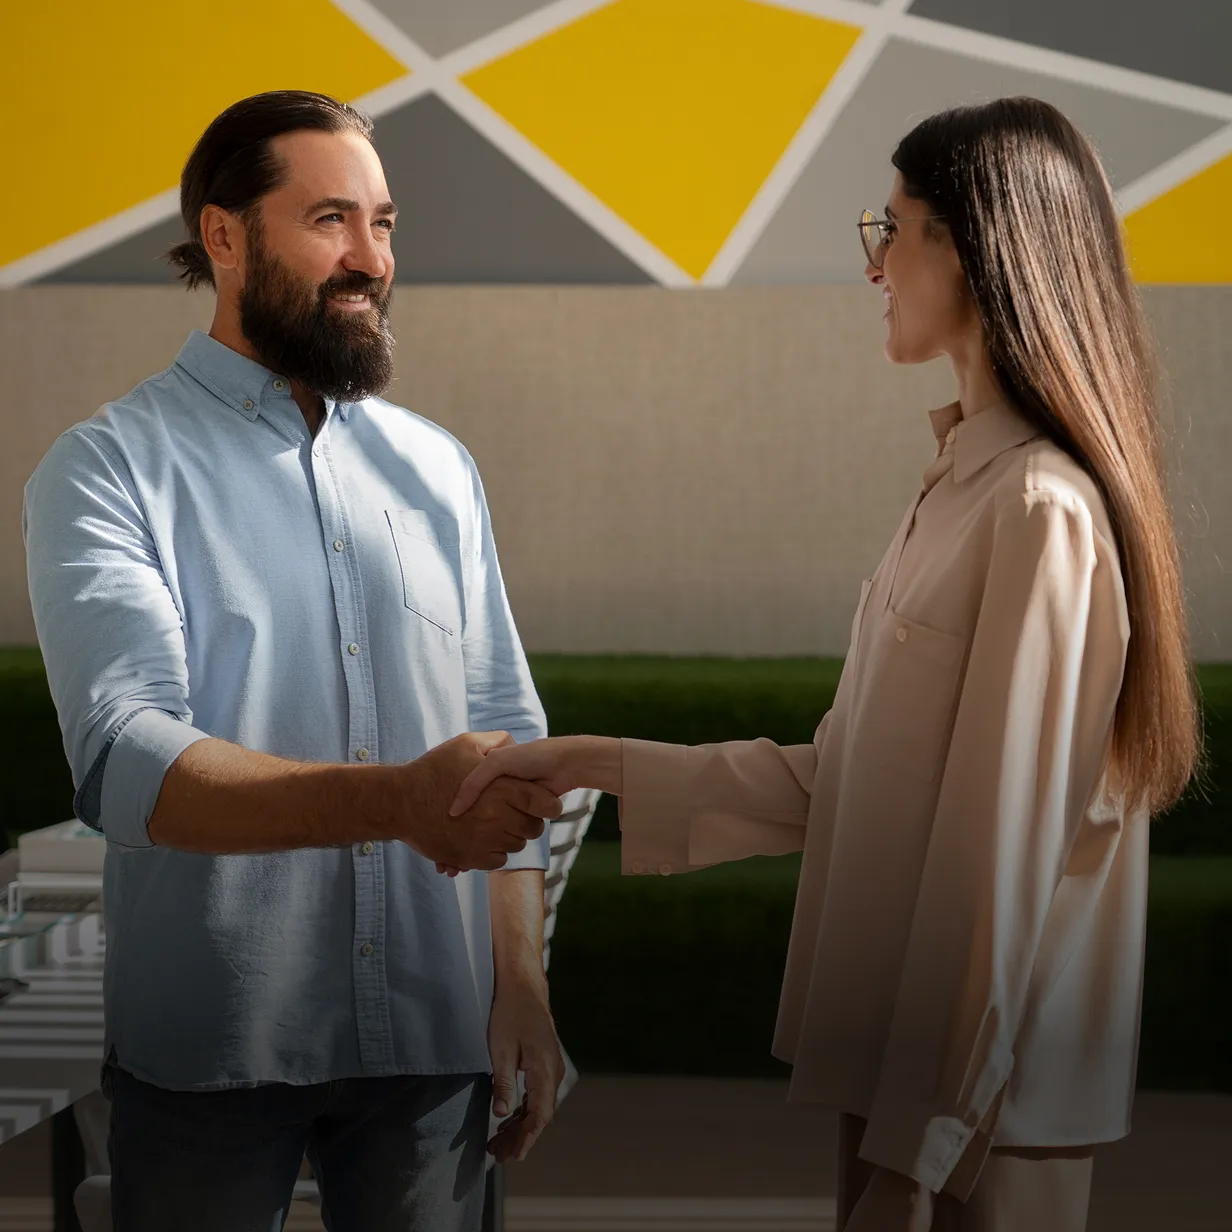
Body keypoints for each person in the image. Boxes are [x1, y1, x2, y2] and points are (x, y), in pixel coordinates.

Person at [448, 98, 1202, 1231]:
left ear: (967, 245)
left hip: (977, 1125)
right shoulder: (961, 489)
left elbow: (995, 872)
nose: (872, 265)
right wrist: (589, 761)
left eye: (887, 228)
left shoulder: (1038, 510)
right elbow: (848, 786)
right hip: (908, 1087)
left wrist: (915, 1157)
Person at [24, 90, 565, 1232]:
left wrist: (521, 982)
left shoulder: (439, 469)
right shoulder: (107, 469)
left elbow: (509, 733)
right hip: (213, 1043)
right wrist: (397, 801)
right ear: (224, 237)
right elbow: (129, 760)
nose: (371, 257)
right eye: (330, 219)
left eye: (384, 222)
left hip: (435, 1036)